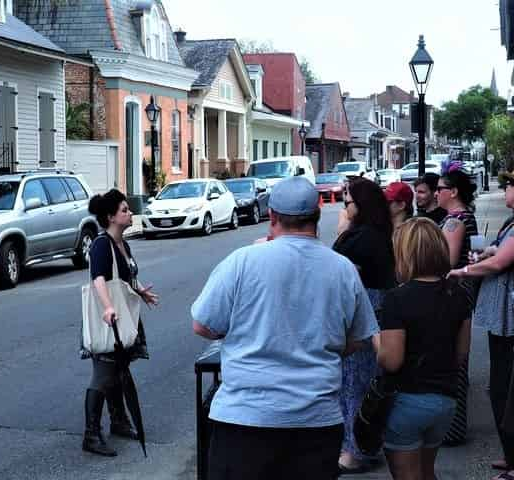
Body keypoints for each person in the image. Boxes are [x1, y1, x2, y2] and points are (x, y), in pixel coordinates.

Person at [191, 176, 379, 480]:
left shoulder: (242, 261)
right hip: (316, 421)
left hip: (245, 418)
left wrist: (246, 333)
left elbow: (203, 325)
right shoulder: (342, 267)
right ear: (317, 215)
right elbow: (359, 338)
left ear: (273, 216)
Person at [449, 163, 514, 480]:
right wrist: (485, 255)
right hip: (507, 314)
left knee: (510, 387)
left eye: (507, 184)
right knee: (503, 385)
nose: (504, 189)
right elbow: (501, 252)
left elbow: (505, 260)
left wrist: (463, 271)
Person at [374, 218, 472, 480]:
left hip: (407, 400)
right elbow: (461, 353)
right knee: (427, 472)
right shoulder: (458, 293)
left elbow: (391, 361)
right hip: (445, 400)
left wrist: (374, 339)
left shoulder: (397, 299)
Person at [82, 189, 159, 456]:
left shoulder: (123, 245)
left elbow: (124, 277)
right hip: (109, 319)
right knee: (104, 374)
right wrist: (108, 307)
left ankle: (118, 421)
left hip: (123, 316)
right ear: (111, 217)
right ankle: (90, 435)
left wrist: (140, 291)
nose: (130, 213)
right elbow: (99, 279)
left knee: (118, 369)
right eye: (124, 210)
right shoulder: (102, 245)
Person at [334, 177, 395, 473]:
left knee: (357, 382)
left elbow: (338, 265)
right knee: (357, 381)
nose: (344, 207)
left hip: (365, 312)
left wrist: (342, 228)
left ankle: (357, 449)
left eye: (347, 202)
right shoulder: (374, 233)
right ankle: (359, 445)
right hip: (369, 309)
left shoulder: (364, 237)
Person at [435, 168, 479, 446]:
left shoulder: (456, 221)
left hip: (453, 293)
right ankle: (453, 425)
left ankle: (453, 428)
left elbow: (447, 260)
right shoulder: (462, 217)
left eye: (440, 188)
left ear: (453, 192)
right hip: (460, 293)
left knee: (453, 358)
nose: (436, 192)